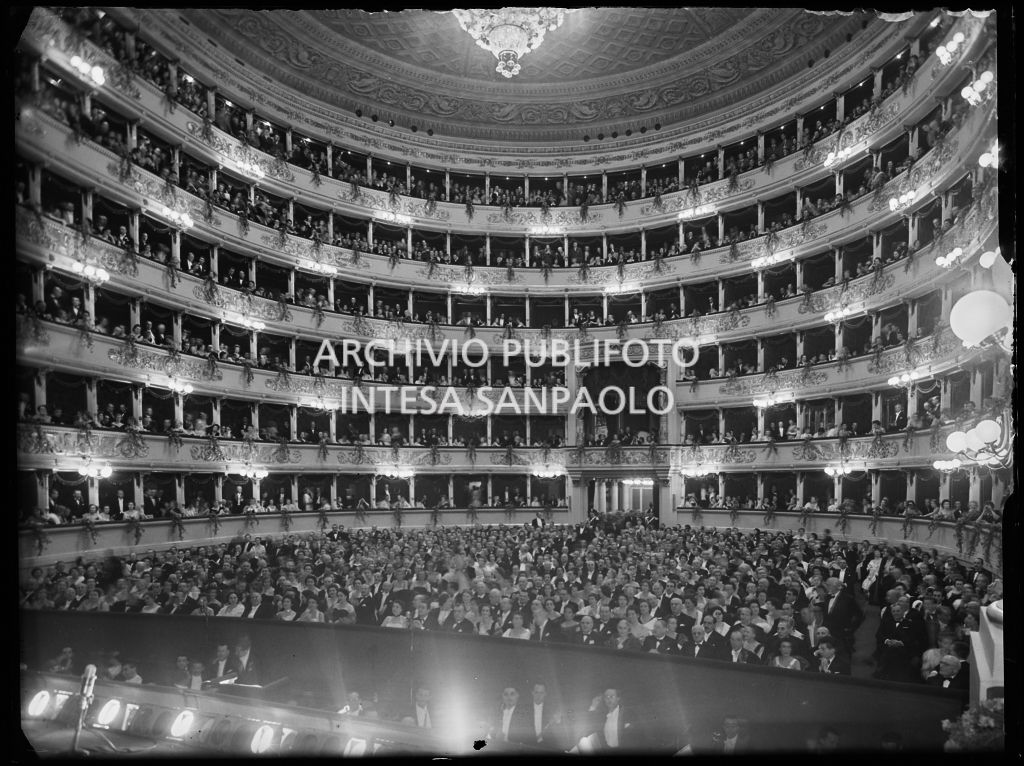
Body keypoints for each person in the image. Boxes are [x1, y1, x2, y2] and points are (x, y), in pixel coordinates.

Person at [569, 688, 634, 752]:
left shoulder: (626, 713)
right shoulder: (603, 718)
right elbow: (587, 730)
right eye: (606, 697)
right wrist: (593, 706)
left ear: (618, 698)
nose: (608, 699)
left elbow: (633, 737)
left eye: (612, 696)